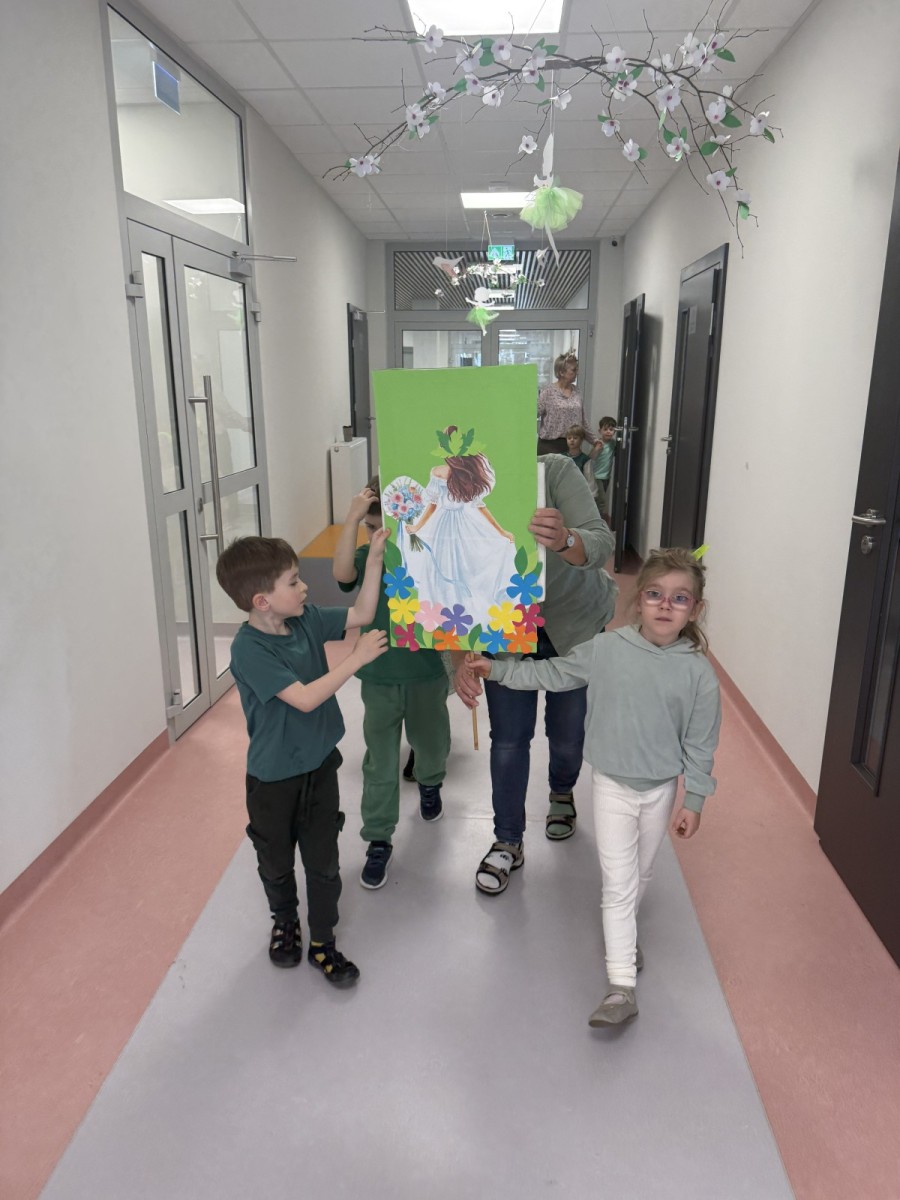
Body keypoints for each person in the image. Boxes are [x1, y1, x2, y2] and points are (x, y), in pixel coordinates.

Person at [470, 548, 721, 1027]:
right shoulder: (607, 649)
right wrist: (498, 669)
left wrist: (694, 798)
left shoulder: (698, 674)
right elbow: (554, 671)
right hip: (611, 785)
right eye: (655, 594)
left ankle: (623, 934)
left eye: (680, 598)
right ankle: (621, 985)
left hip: (660, 790)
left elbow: (701, 741)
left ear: (696, 609)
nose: (665, 605)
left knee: (641, 874)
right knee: (619, 883)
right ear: (637, 599)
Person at [216, 533, 389, 986]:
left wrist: (374, 560)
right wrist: (356, 659)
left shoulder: (306, 619)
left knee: (324, 862)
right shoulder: (249, 650)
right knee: (275, 861)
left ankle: (323, 942)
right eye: (293, 581)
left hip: (319, 767)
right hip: (273, 780)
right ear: (262, 601)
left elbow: (362, 614)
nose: (304, 587)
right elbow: (306, 699)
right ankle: (285, 921)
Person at [454, 455, 617, 893]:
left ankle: (561, 791)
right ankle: (507, 839)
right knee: (508, 739)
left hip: (573, 622)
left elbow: (601, 543)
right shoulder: (454, 483)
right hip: (504, 627)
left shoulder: (554, 471)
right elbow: (444, 579)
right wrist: (459, 655)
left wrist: (565, 539)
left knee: (568, 734)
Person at [334, 482, 451, 890]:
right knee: (380, 762)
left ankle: (430, 783)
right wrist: (352, 520)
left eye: (381, 525)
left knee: (431, 743)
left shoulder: (429, 552)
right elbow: (341, 574)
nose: (377, 535)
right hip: (379, 675)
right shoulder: (370, 556)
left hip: (426, 672)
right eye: (370, 528)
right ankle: (378, 838)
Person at [403, 426, 517, 631]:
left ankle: (461, 613)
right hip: (446, 527)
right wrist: (418, 527)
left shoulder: (456, 474)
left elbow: (477, 506)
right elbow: (432, 504)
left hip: (463, 526)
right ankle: (445, 614)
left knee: (465, 565)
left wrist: (501, 532)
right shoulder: (440, 472)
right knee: (445, 566)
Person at [537, 351, 597, 455]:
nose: (577, 372)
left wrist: (594, 440)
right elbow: (533, 414)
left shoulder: (577, 392)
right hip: (550, 446)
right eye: (574, 370)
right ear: (561, 372)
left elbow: (583, 421)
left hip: (572, 446)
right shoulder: (548, 392)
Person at [589, 416, 618, 522]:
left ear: (615, 431)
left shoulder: (614, 443)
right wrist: (596, 449)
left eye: (611, 429)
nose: (608, 432)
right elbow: (590, 457)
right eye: (605, 429)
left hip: (606, 477)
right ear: (600, 431)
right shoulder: (599, 443)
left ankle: (595, 518)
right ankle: (598, 520)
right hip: (597, 476)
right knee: (601, 500)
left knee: (599, 499)